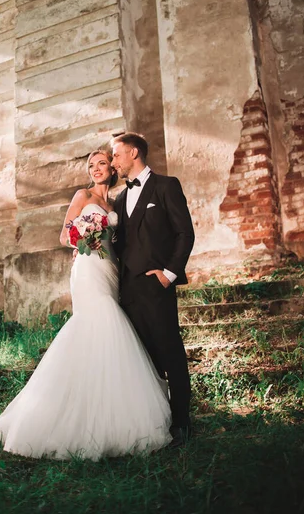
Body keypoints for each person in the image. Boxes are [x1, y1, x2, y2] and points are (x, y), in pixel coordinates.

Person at [0, 150, 172, 460]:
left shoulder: (116, 204)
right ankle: (61, 416)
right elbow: (65, 235)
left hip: (110, 268)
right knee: (100, 319)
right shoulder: (82, 194)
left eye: (102, 163)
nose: (96, 169)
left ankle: (108, 409)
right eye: (91, 165)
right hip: (88, 267)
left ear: (112, 168)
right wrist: (86, 238)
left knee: (107, 329)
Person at [111, 133, 195, 448]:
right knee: (143, 357)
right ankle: (156, 420)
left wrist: (169, 274)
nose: (114, 162)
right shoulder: (119, 198)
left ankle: (182, 422)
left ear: (134, 153)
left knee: (170, 351)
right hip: (128, 287)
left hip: (156, 283)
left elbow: (184, 233)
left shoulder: (166, 186)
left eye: (117, 155)